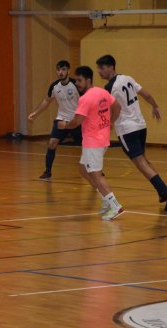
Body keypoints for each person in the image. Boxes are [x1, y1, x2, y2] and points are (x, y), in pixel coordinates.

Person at [96, 54, 167, 211]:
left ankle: (166, 191)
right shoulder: (127, 78)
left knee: (140, 163)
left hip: (127, 130)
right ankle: (162, 192)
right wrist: (155, 106)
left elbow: (114, 109)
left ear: (112, 67)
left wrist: (109, 123)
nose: (100, 71)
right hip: (141, 126)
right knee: (144, 160)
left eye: (102, 68)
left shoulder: (109, 88)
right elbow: (145, 94)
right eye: (98, 68)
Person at [58, 66, 124, 221]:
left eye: (80, 80)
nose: (78, 84)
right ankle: (105, 199)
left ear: (88, 80)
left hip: (94, 142)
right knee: (83, 169)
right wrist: (111, 123)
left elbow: (77, 122)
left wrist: (65, 125)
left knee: (95, 174)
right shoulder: (102, 92)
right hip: (101, 139)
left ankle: (115, 205)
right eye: (76, 81)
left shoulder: (85, 98)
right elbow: (117, 107)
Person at [28, 60, 81, 180]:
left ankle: (96, 170)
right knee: (52, 143)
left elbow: (86, 100)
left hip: (77, 120)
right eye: (58, 70)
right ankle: (47, 172)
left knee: (88, 146)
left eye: (63, 69)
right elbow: (47, 101)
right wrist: (35, 113)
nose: (60, 72)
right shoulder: (54, 86)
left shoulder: (76, 85)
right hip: (61, 120)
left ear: (68, 70)